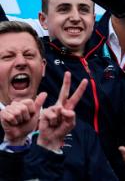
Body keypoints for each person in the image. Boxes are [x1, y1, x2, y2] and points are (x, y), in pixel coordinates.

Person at [36, 0, 125, 180]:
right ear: (43, 20)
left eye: (83, 10)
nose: (75, 17)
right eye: (63, 9)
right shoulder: (35, 60)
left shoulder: (111, 68)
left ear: (94, 18)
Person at [0, 21, 116, 180]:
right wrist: (13, 146)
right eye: (7, 56)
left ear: (43, 67)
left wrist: (50, 148)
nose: (21, 62)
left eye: (29, 55)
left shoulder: (77, 130)